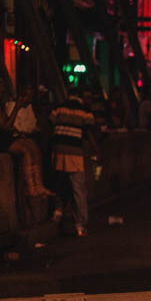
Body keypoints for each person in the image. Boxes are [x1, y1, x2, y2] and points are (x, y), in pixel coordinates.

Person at [50, 94, 98, 237]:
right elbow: (89, 131)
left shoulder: (59, 109)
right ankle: (80, 225)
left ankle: (57, 211)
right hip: (74, 153)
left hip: (58, 151)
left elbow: (49, 123)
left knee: (61, 182)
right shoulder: (85, 112)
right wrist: (95, 149)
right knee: (78, 189)